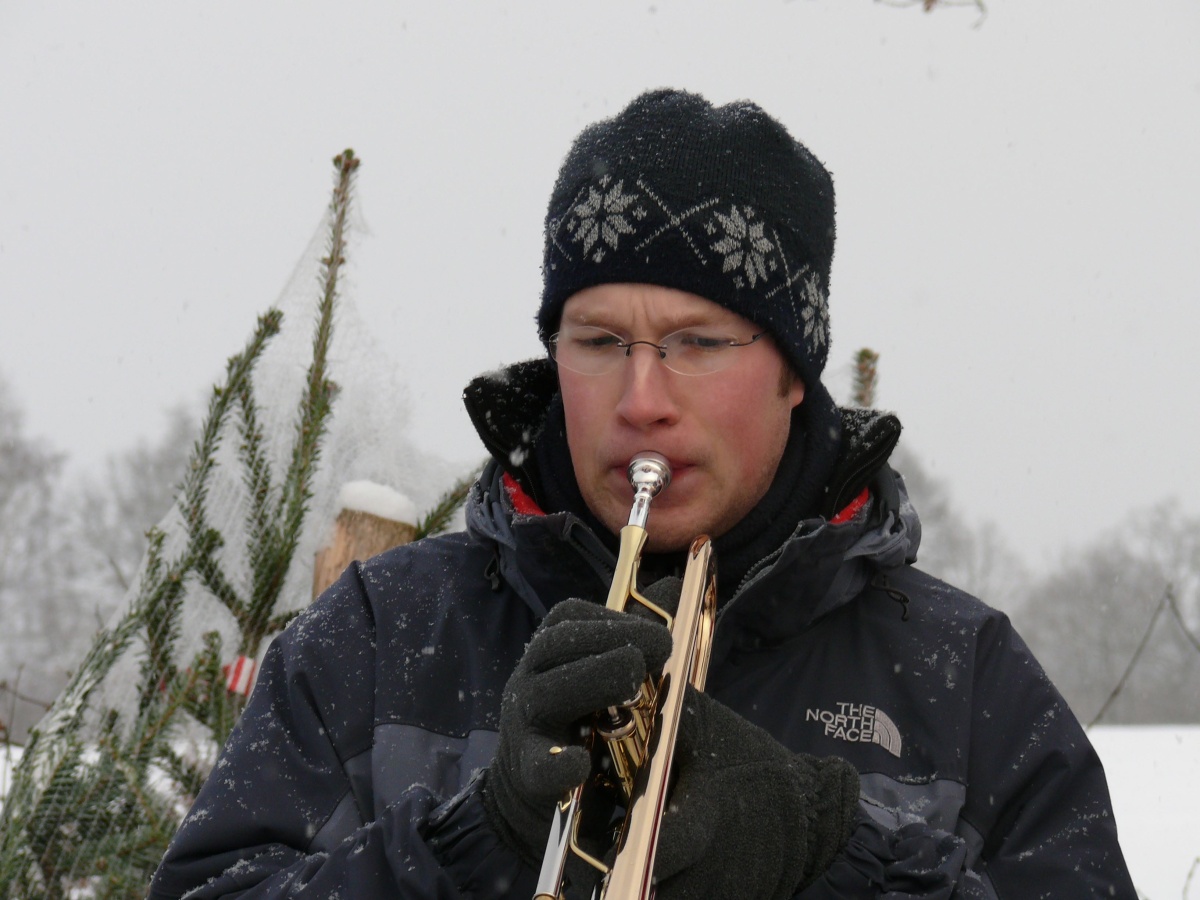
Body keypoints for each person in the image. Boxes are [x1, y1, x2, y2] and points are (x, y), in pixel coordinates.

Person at [151, 89, 1136, 899]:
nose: (641, 400)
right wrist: (472, 842)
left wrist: (836, 854)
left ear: (795, 373)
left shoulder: (962, 677)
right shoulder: (378, 636)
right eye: (598, 342)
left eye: (699, 344)